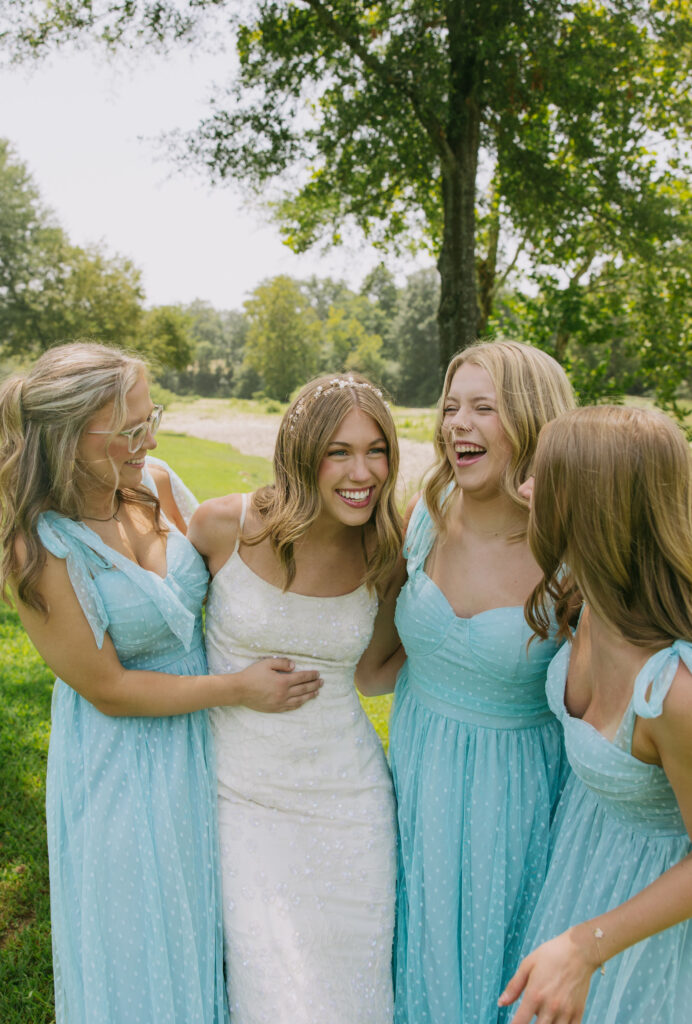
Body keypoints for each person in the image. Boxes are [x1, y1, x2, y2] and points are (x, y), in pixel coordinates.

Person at [0, 342, 322, 1024]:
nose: (152, 437)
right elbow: (110, 689)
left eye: (154, 417)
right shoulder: (40, 544)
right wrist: (237, 688)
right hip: (120, 760)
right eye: (132, 429)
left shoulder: (161, 482)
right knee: (137, 938)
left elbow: (237, 569)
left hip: (203, 747)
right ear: (69, 436)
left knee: (202, 923)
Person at [356, 340, 577, 1024]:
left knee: (498, 974)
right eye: (451, 406)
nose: (457, 423)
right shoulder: (422, 515)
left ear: (533, 423)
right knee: (415, 953)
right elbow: (374, 666)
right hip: (419, 775)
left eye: (484, 407)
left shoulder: (570, 547)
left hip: (517, 794)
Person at [188, 373, 402, 1024]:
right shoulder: (225, 526)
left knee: (353, 994)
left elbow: (372, 673)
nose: (362, 472)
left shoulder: (384, 552)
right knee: (268, 992)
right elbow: (155, 635)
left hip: (350, 805)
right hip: (240, 798)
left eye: (377, 450)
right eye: (339, 451)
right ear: (300, 454)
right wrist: (231, 688)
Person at [499, 405, 692, 1024]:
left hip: (646, 930)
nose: (524, 488)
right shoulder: (582, 598)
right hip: (581, 868)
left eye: (542, 478)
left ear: (590, 505)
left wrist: (588, 946)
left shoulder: (672, 691)